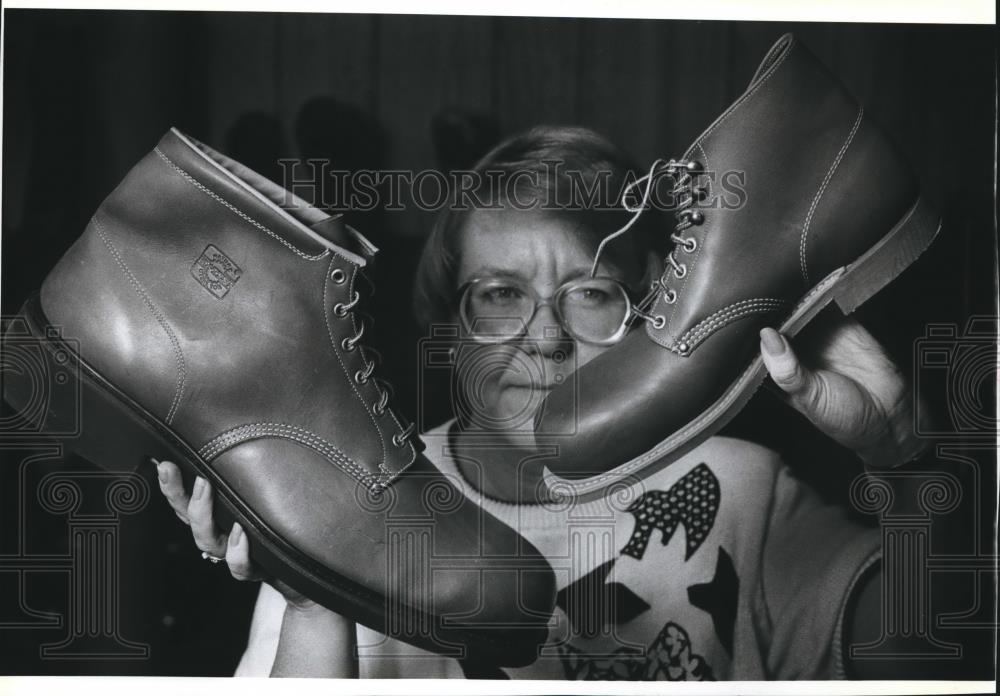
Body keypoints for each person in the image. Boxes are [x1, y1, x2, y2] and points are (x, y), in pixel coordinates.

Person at [155, 126, 924, 680]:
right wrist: (314, 599)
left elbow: (941, 657)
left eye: (592, 293)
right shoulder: (352, 496)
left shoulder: (745, 491)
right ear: (448, 325)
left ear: (653, 318)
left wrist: (906, 463)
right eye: (500, 295)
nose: (546, 339)